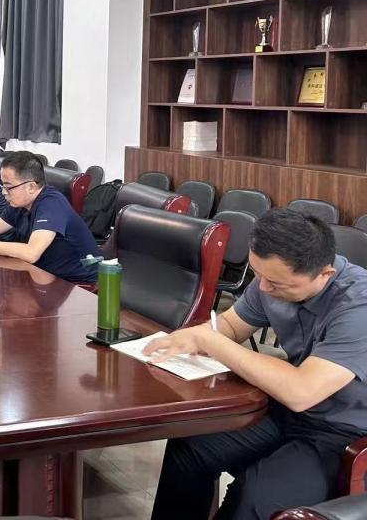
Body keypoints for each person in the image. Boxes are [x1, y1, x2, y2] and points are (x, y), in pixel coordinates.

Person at [147, 208, 367, 520]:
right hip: (287, 410)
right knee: (190, 447)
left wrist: (211, 342)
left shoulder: (358, 306)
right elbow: (231, 326)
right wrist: (190, 339)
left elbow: (302, 391)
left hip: (343, 431)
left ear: (325, 275)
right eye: (257, 274)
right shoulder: (272, 278)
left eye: (276, 284)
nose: (263, 288)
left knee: (254, 497)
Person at [0, 151, 98, 285]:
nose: (3, 192)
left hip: (75, 284)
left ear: (31, 187)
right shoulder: (20, 203)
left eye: (8, 187)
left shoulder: (51, 204)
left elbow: (31, 252)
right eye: (2, 185)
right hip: (42, 274)